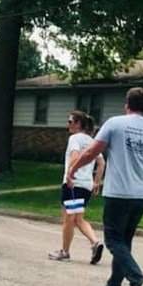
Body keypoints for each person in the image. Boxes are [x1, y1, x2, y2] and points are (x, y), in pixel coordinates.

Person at [66, 87, 143, 286]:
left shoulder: (115, 123)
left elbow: (91, 152)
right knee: (125, 241)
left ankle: (137, 281)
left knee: (114, 240)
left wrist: (72, 169)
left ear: (127, 103)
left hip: (118, 192)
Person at [49, 110, 106, 263]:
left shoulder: (75, 138)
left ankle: (65, 252)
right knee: (78, 218)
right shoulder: (92, 141)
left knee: (68, 218)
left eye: (70, 121)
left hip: (73, 183)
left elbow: (74, 157)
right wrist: (97, 182)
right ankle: (95, 243)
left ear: (78, 124)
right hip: (86, 185)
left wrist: (70, 174)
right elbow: (101, 163)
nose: (68, 124)